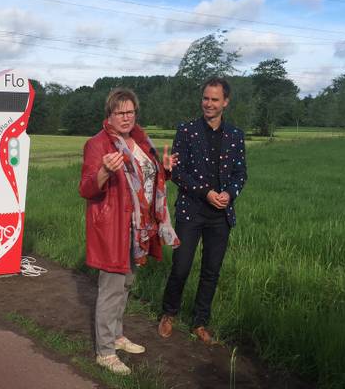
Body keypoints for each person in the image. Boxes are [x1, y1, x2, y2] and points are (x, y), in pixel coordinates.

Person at [79, 88, 179, 375]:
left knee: (126, 285)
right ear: (109, 115)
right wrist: (104, 172)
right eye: (120, 112)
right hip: (114, 228)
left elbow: (149, 178)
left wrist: (166, 170)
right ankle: (105, 352)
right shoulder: (97, 144)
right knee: (111, 289)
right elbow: (86, 188)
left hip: (139, 228)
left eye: (130, 111)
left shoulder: (140, 140)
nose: (126, 117)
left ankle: (117, 335)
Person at [157, 77, 248, 345]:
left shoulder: (235, 135)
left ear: (226, 102)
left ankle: (199, 322)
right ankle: (169, 313)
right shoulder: (186, 131)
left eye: (214, 99)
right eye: (205, 98)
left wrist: (229, 193)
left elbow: (241, 174)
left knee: (211, 270)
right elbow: (178, 173)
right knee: (181, 266)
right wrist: (205, 193)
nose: (208, 104)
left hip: (220, 215)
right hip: (192, 210)